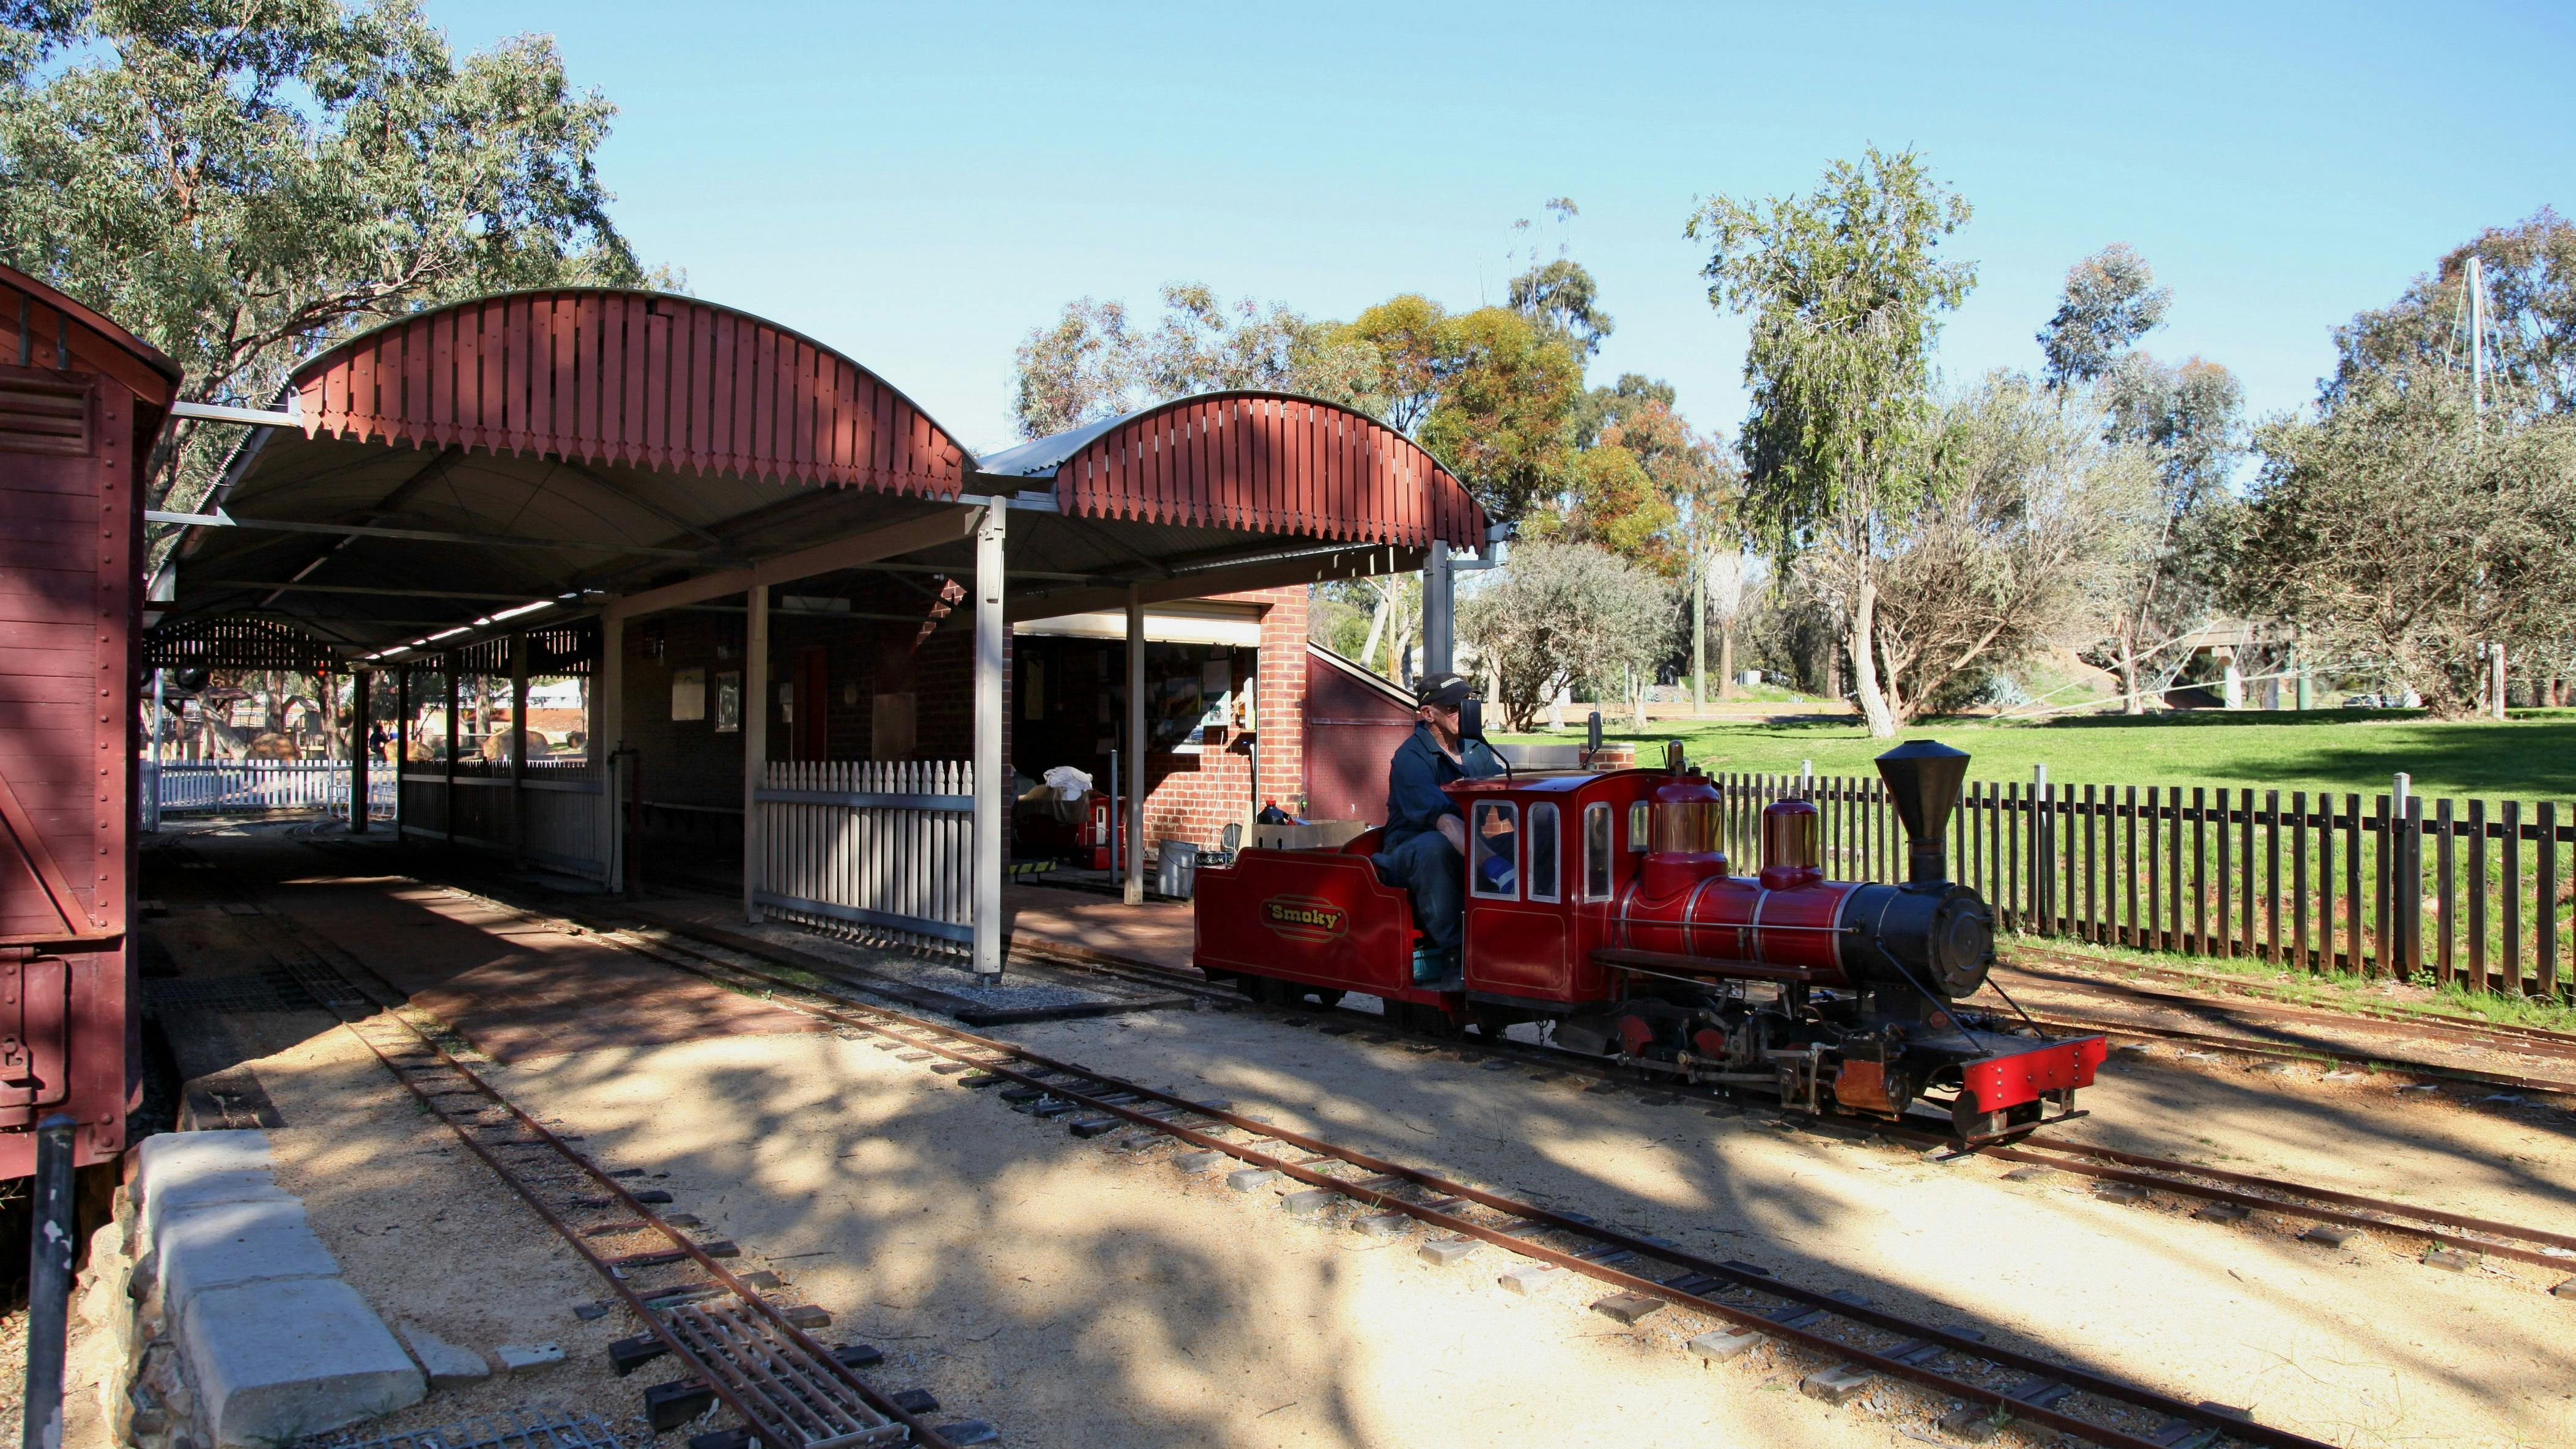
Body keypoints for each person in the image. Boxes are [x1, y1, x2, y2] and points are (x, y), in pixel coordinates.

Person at [1377, 672, 1505, 990]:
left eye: (1466, 704)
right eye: (1453, 707)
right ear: (1428, 714)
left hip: (1469, 843)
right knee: (1436, 846)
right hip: (1408, 851)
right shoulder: (1411, 757)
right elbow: (1447, 823)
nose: (1462, 712)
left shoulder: (1478, 750)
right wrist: (1498, 867)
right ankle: (1454, 954)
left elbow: (1505, 800)